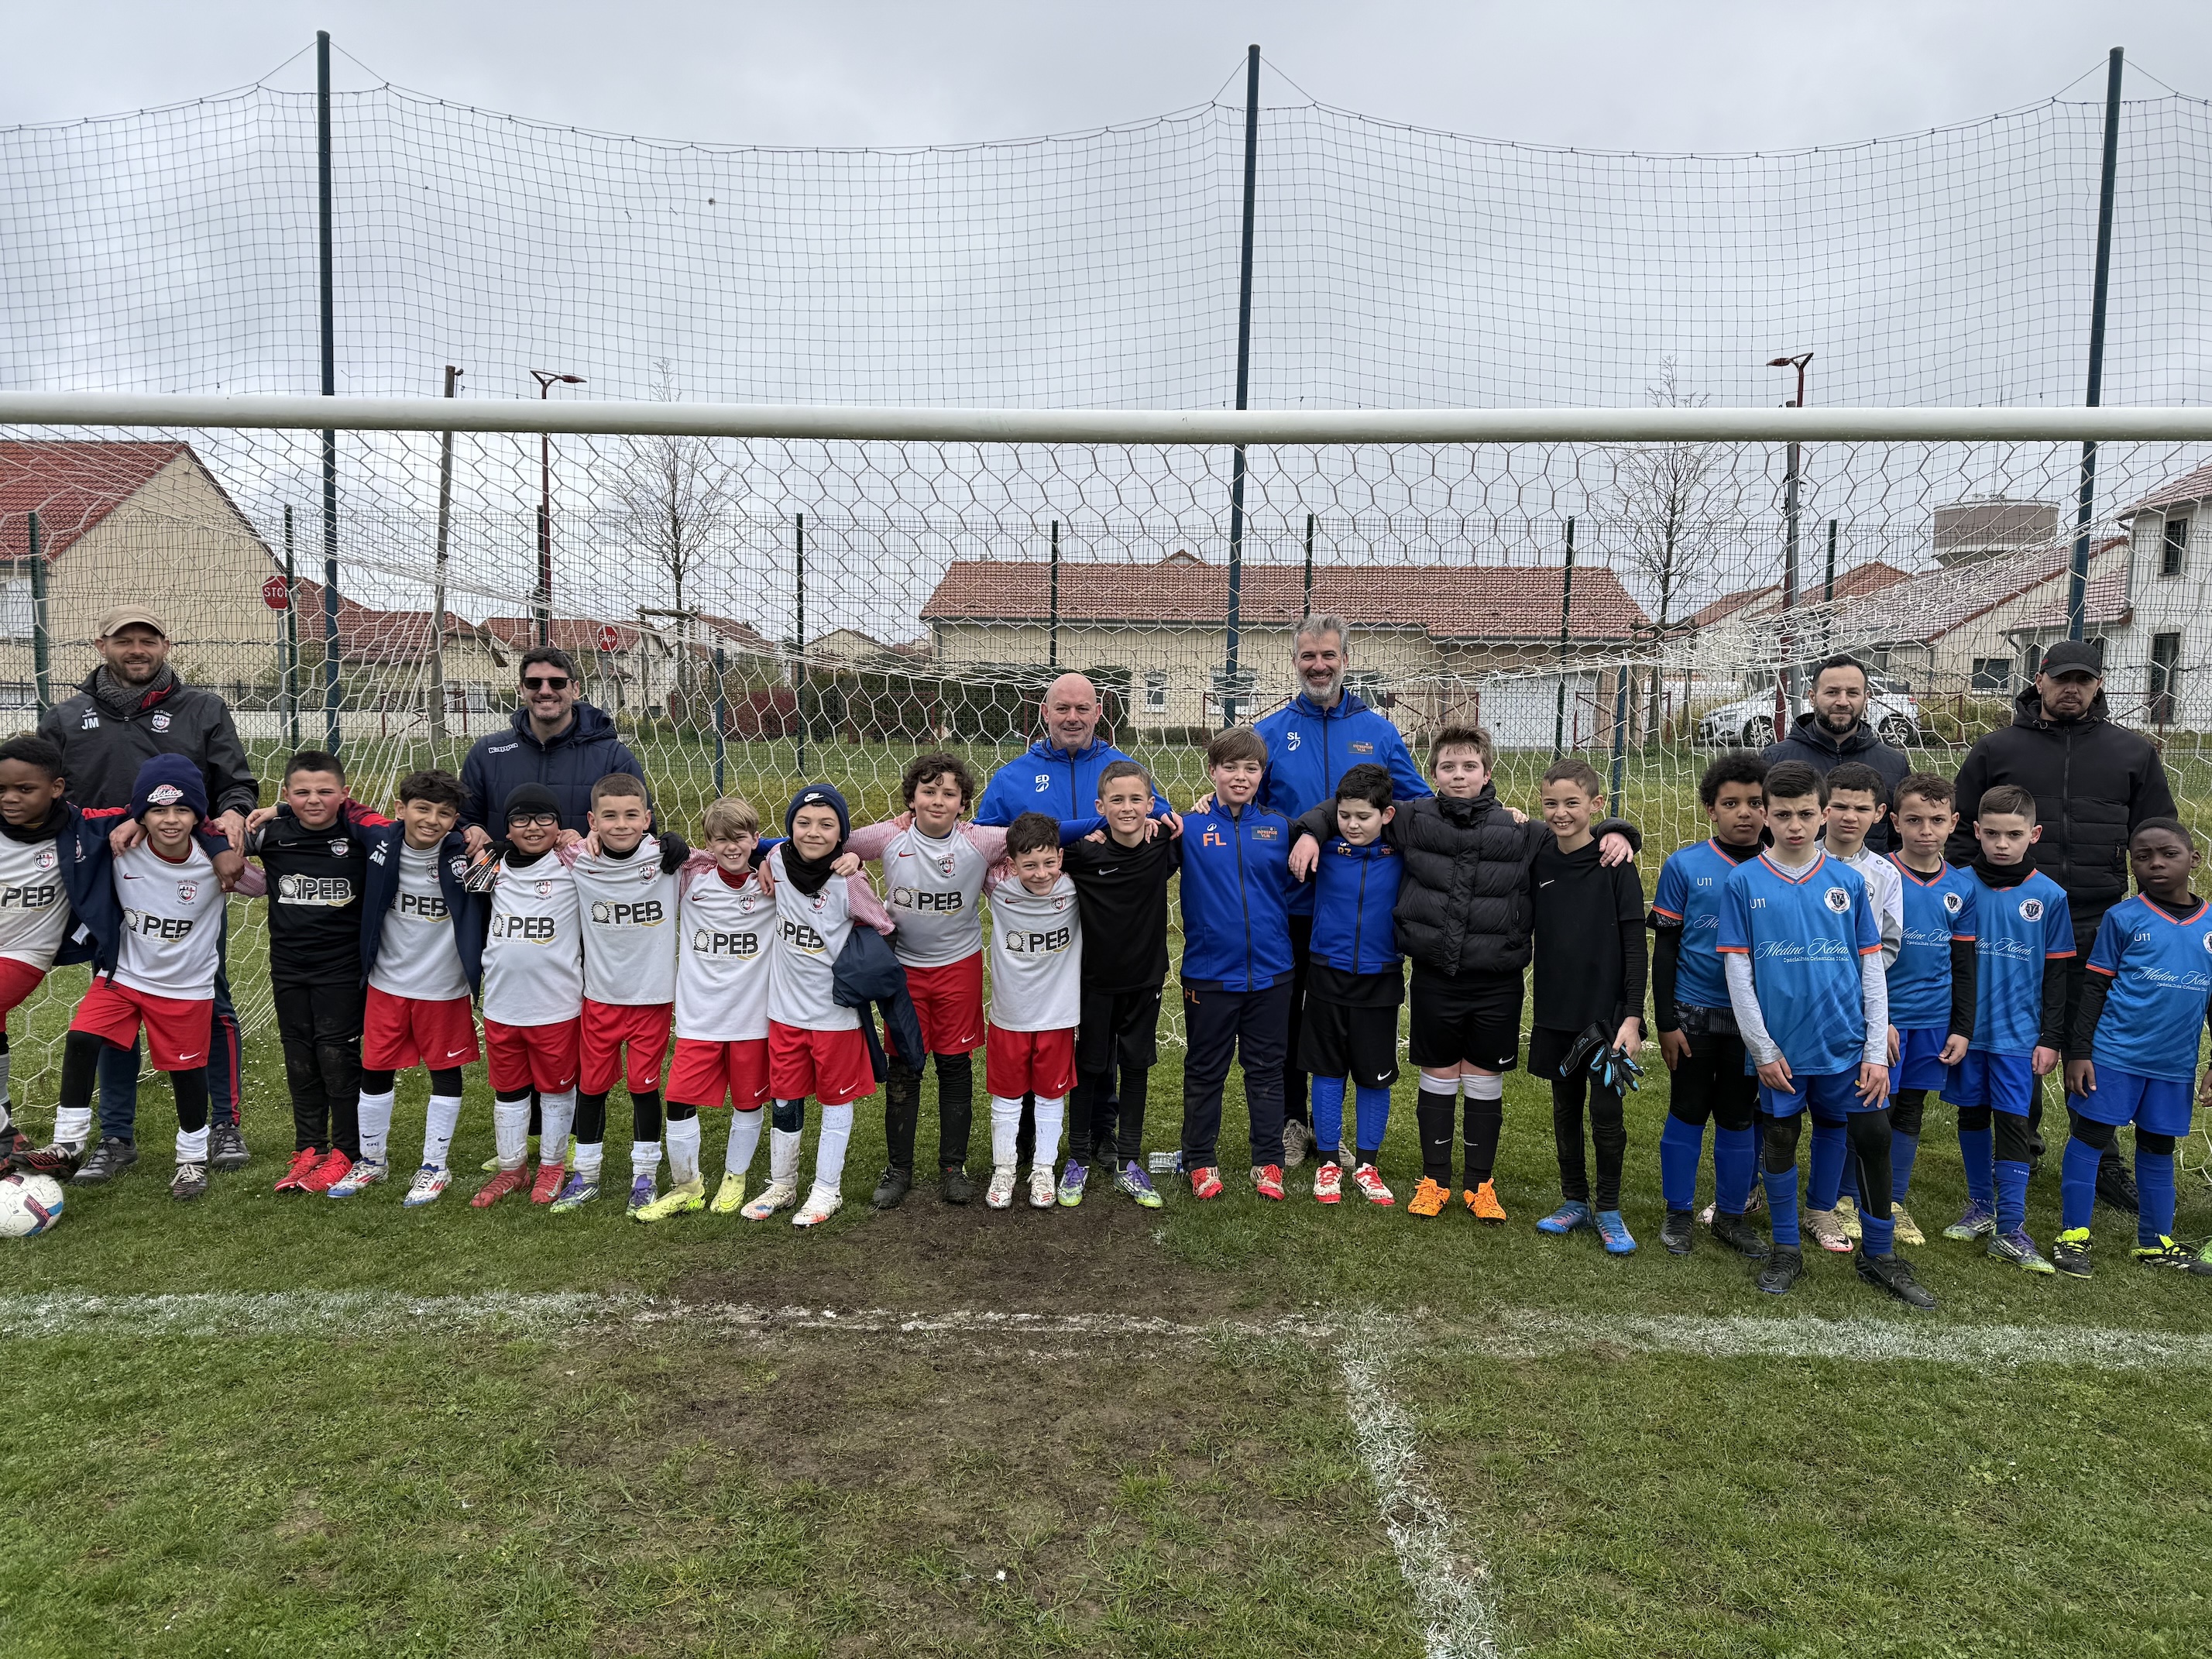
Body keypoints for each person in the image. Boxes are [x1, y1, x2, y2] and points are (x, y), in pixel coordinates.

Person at [1293, 725, 1633, 1224]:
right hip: (1434, 974)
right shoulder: (1411, 820)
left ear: (1487, 773)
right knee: (1437, 1074)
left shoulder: (1520, 830)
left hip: (1496, 980)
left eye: (1469, 767)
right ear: (1432, 775)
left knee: (1483, 1077)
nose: (1458, 776)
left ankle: (1480, 1184)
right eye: (1448, 767)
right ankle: (1434, 1181)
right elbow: (1348, 806)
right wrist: (1308, 829)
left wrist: (1619, 830)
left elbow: (1574, 836)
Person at [1946, 639, 2176, 1204]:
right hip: (2012, 922)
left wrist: (2155, 914)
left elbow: (2159, 837)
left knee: (2089, 1036)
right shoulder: (1996, 748)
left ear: (2098, 686)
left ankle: (2100, 1158)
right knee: (2015, 1033)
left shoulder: (2132, 752)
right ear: (2039, 680)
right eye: (2062, 678)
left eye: (2085, 679)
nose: (2072, 688)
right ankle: (2017, 1142)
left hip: (2098, 916)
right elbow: (1958, 832)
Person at [37, 604, 255, 1185]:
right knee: (114, 1011)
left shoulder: (202, 708)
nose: (138, 650)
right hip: (113, 887)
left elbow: (234, 782)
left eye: (149, 641)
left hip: (188, 878)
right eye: (125, 641)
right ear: (100, 645)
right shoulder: (66, 717)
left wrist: (231, 824)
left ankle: (224, 1125)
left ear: (166, 645)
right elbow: (49, 799)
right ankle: (115, 1136)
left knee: (212, 1002)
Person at [1719, 761, 1931, 1307]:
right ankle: (1786, 1247)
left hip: (1846, 1046)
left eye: (1806, 814)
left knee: (1873, 1138)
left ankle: (1880, 1254)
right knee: (1782, 1140)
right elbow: (1738, 973)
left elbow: (1871, 970)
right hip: (1782, 1052)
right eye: (1783, 814)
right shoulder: (1744, 882)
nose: (1795, 825)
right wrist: (1761, 1048)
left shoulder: (1848, 882)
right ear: (1765, 816)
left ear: (1824, 815)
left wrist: (1874, 1051)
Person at [20, 757, 244, 1200]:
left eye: (182, 811)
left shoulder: (216, 858)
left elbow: (260, 852)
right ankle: (67, 1144)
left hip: (185, 988)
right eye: (158, 811)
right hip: (122, 975)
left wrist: (223, 849)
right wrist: (126, 818)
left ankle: (191, 1158)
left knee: (186, 1075)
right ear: (141, 813)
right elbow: (72, 816)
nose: (170, 820)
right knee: (83, 1038)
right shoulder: (121, 845)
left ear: (198, 815)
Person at [1252, 616, 1430, 1166]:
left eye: (1328, 655)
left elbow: (1422, 803)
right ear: (1295, 663)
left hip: (1355, 914)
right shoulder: (1273, 732)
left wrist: (1495, 808)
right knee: (1287, 1019)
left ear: (1346, 661)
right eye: (1308, 656)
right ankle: (1293, 1122)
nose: (1318, 666)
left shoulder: (1378, 732)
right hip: (1288, 905)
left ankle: (1331, 1129)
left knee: (1345, 1021)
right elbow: (1241, 796)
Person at [843, 753, 1001, 1209]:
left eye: (949, 793)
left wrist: (1111, 821)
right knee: (906, 1067)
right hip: (904, 971)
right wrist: (765, 851)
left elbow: (1040, 838)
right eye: (928, 791)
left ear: (963, 803)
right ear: (910, 798)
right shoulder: (891, 834)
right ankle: (899, 1170)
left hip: (959, 968)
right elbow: (820, 837)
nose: (938, 800)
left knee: (954, 1065)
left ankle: (954, 1167)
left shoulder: (982, 841)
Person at [2061, 819, 2212, 1278]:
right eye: (2143, 856)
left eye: (2168, 853)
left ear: (2195, 860)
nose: (2155, 863)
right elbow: (2093, 991)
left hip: (2174, 1065)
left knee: (2158, 1146)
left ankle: (2154, 1241)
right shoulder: (2123, 918)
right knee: (2090, 1136)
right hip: (2113, 1055)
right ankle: (2073, 1236)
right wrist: (2080, 1051)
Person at [742, 784, 895, 1228]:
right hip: (785, 1012)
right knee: (786, 1098)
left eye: (827, 825)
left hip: (836, 1017)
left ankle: (827, 1189)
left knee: (833, 1102)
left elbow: (883, 925)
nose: (814, 832)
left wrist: (860, 955)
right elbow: (759, 847)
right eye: (804, 823)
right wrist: (768, 859)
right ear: (789, 827)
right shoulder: (775, 864)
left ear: (841, 834)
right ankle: (782, 1183)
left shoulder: (848, 881)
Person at [1938, 783, 2073, 1273]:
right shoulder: (1956, 884)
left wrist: (2051, 1037)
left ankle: (2012, 1227)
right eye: (1991, 833)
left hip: (2019, 1034)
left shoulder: (2050, 897)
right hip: (1966, 1032)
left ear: (2033, 835)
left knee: (2014, 1121)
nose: (2001, 843)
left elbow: (2058, 975)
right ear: (1975, 831)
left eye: (2013, 834)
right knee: (1972, 1114)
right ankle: (1982, 1208)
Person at [337, 768, 486, 1206]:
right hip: (387, 983)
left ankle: (435, 1166)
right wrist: (278, 807)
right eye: (422, 809)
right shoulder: (380, 838)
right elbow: (339, 807)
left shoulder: (467, 852)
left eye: (445, 813)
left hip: (444, 987)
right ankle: (372, 1160)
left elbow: (524, 843)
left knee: (444, 1072)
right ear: (401, 809)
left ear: (456, 819)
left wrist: (477, 832)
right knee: (376, 1068)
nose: (432, 820)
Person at [245, 750, 384, 1197]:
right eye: (301, 793)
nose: (313, 800)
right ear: (285, 795)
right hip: (288, 967)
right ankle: (310, 1147)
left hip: (342, 970)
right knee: (299, 1057)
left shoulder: (360, 833)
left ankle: (347, 1149)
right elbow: (208, 834)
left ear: (345, 795)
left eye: (325, 791)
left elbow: (407, 829)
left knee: (336, 1058)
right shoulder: (270, 834)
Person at [1648, 751, 1769, 1259]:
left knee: (1739, 1116)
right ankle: (1678, 1213)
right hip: (1694, 1015)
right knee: (1689, 1109)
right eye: (1731, 803)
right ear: (1710, 810)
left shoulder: (1784, 869)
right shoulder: (1685, 866)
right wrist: (1667, 1021)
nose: (1745, 812)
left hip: (1754, 1024)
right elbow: (1667, 948)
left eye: (1756, 802)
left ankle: (1731, 1215)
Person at [558, 774, 691, 1216]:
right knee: (592, 1086)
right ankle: (586, 1173)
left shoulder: (666, 860)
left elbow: (730, 851)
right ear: (593, 820)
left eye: (632, 815)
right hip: (599, 998)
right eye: (610, 816)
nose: (621, 824)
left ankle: (645, 1174)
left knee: (643, 1087)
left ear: (647, 819)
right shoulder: (577, 858)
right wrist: (565, 834)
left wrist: (679, 842)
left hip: (652, 1000)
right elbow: (534, 844)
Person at [1528, 757, 1646, 1255]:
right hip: (1556, 1007)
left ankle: (1611, 1207)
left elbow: (1636, 944)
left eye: (1572, 803)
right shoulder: (1537, 856)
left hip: (1607, 1013)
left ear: (1595, 806)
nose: (1561, 813)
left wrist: (1634, 1015)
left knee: (1605, 1111)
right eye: (1551, 803)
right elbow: (1514, 825)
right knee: (1564, 1107)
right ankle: (1574, 1199)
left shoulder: (1615, 863)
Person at [1178, 726, 1300, 1201]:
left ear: (1262, 774)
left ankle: (1267, 1161)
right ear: (1213, 773)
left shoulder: (1281, 828)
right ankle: (1200, 1161)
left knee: (1267, 1068)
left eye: (1251, 768)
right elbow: (1147, 823)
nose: (1241, 776)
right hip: (1209, 976)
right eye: (1230, 767)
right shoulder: (1189, 827)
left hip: (1273, 973)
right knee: (1206, 1069)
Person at [1058, 758, 1181, 1209]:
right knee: (1089, 1068)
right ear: (1100, 806)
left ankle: (1129, 1160)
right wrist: (1086, 831)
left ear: (1151, 804)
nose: (1127, 808)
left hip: (1146, 980)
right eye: (1116, 800)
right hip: (1094, 982)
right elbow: (1031, 838)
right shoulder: (1084, 853)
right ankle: (1077, 1159)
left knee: (1135, 1067)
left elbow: (1198, 824)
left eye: (1136, 800)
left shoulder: (1164, 842)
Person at [653, 797, 775, 1221]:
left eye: (740, 838)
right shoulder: (691, 879)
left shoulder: (773, 881)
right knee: (679, 1099)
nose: (731, 847)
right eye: (720, 840)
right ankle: (687, 1184)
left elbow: (798, 851)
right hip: (698, 1017)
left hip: (752, 1019)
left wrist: (769, 854)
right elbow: (658, 852)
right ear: (709, 843)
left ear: (755, 839)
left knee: (748, 1102)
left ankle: (735, 1177)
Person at [1294, 763, 1403, 1207]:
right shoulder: (1325, 848)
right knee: (1327, 1069)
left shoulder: (1402, 852)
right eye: (1345, 816)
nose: (1353, 825)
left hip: (1381, 978)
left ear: (1387, 816)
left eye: (1364, 816)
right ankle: (1327, 1162)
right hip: (1326, 974)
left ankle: (1367, 1164)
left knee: (1374, 1076)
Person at [472, 783, 586, 1209]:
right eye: (520, 819)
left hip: (555, 1005)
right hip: (503, 1003)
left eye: (544, 819)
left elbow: (618, 855)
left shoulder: (571, 862)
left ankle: (553, 1164)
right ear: (508, 827)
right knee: (509, 1090)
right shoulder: (492, 863)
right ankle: (511, 1167)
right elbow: (449, 873)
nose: (533, 827)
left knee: (556, 1091)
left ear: (560, 826)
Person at [1881, 773, 1979, 1247]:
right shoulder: (1876, 876)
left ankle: (1893, 1201)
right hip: (1883, 1020)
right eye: (1914, 820)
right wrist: (1878, 1020)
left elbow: (1964, 964)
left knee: (1911, 1108)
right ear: (1895, 821)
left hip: (1933, 1021)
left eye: (1937, 820)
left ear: (1954, 823)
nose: (1926, 830)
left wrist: (1961, 1027)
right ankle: (1849, 1198)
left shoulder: (1962, 887)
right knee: (1874, 1106)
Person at [1809, 760, 1903, 1250]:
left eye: (1861, 808)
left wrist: (1876, 1016)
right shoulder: (1792, 860)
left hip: (1850, 1011)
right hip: (1795, 1006)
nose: (1849, 816)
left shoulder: (1884, 874)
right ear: (1823, 810)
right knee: (1769, 1108)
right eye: (1839, 806)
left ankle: (1823, 1206)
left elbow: (1887, 947)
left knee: (1844, 1113)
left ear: (1879, 814)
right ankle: (1748, 1192)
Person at [982, 812, 1083, 1211]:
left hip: (1058, 1016)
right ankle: (1004, 1168)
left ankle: (1043, 1167)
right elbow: (969, 845)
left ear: (1061, 857)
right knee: (1006, 1097)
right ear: (1012, 863)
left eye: (1049, 863)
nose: (1041, 874)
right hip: (1010, 1015)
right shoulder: (997, 888)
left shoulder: (1076, 887)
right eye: (1029, 865)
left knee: (1050, 1095)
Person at [0, 737, 84, 1164]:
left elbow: (147, 816)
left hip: (23, 951)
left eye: (24, 789)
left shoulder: (80, 829)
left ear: (56, 788)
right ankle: (5, 1131)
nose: (10, 798)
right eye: (1, 790)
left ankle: (2, 1136)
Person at [1760, 653, 1908, 853]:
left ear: (1866, 698)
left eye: (1853, 693)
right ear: (1812, 697)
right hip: (1794, 881)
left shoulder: (1894, 763)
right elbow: (1761, 836)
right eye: (1832, 692)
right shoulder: (1775, 759)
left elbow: (1902, 839)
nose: (1842, 701)